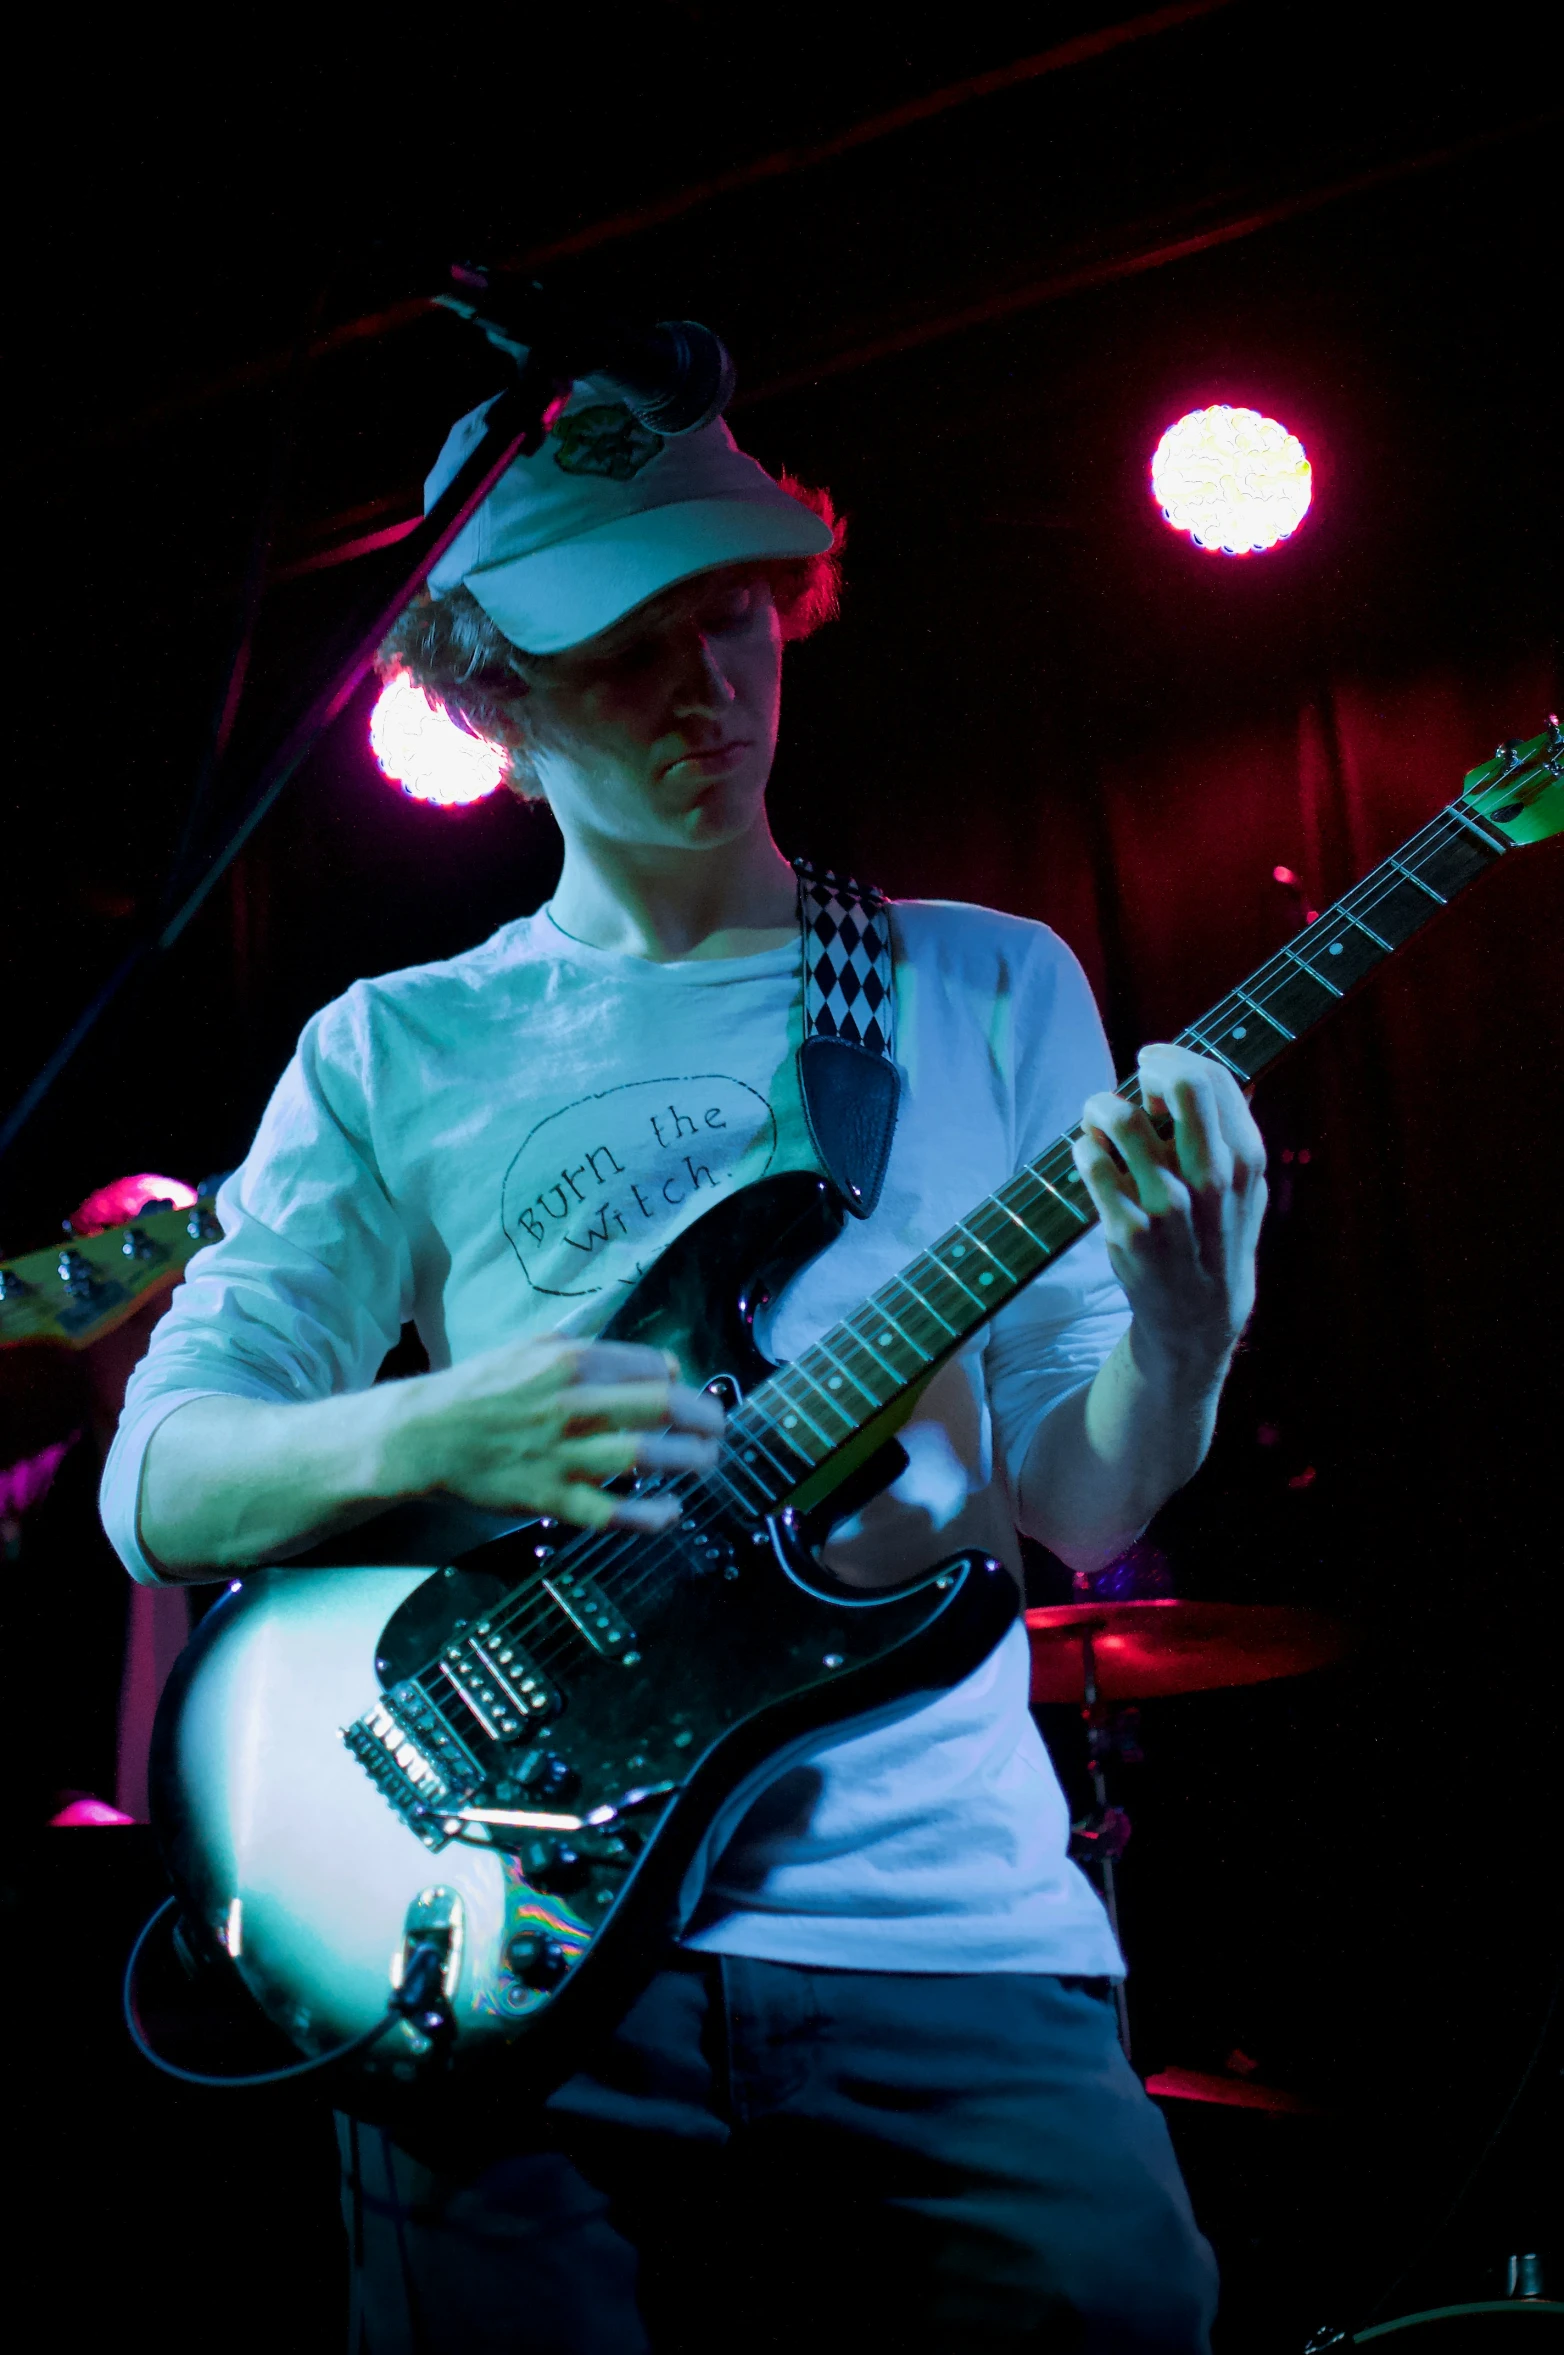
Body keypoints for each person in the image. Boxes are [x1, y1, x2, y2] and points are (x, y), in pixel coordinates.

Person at [101, 377, 1267, 2353]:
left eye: (731, 615)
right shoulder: (395, 1049)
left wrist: (1182, 1314)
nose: (706, 688)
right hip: (501, 1929)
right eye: (627, 653)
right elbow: (159, 1487)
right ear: (482, 699)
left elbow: (1082, 1501)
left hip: (946, 1937)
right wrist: (439, 1418)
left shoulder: (982, 984)